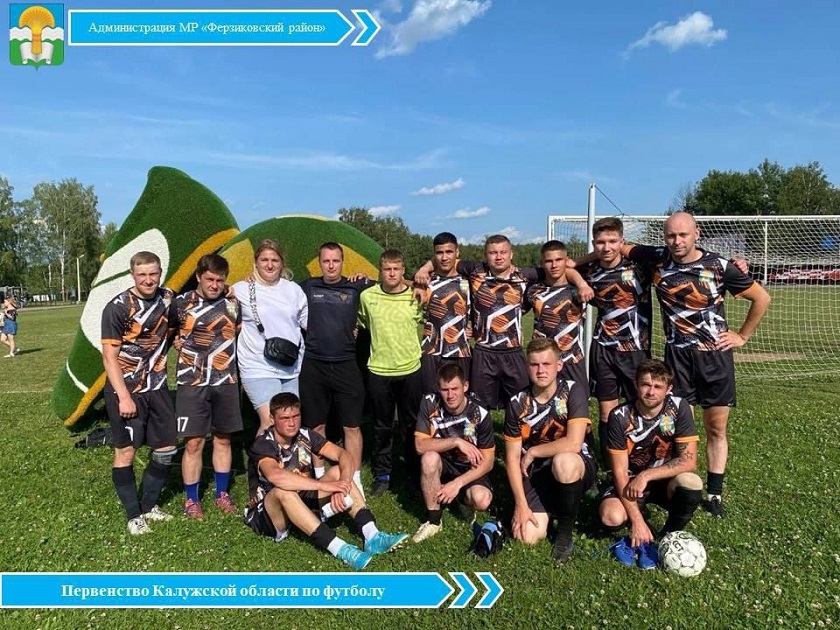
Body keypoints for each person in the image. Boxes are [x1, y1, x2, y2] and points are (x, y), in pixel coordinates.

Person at [624, 211, 771, 517]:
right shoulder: (657, 259)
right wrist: (577, 264)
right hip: (677, 358)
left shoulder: (720, 266)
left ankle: (714, 493)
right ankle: (678, 486)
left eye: (683, 235)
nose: (677, 241)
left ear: (697, 234)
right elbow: (616, 246)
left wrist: (742, 335)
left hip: (714, 357)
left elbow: (762, 298)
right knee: (680, 428)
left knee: (716, 427)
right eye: (671, 235)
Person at [416, 234, 593, 410]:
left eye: (503, 252)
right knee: (479, 405)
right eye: (493, 253)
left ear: (511, 254)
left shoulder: (524, 275)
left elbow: (561, 269)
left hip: (513, 352)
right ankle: (482, 429)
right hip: (484, 352)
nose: (498, 257)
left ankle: (519, 429)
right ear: (485, 256)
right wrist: (424, 270)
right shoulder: (476, 271)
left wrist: (582, 284)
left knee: (521, 404)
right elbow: (444, 259)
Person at [245, 393, 408, 570]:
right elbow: (276, 476)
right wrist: (325, 486)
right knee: (283, 491)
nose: (292, 423)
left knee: (338, 471)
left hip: (301, 501)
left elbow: (344, 455)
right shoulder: (263, 443)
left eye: (296, 416)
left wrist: (342, 486)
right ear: (272, 419)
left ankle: (372, 536)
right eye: (285, 418)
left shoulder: (305, 434)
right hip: (268, 515)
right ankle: (342, 550)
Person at [599, 359, 703, 569]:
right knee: (611, 518)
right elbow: (619, 473)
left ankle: (666, 538)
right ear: (636, 384)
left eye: (658, 386)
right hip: (630, 482)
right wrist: (637, 521)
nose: (651, 392)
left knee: (691, 483)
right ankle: (633, 535)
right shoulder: (619, 416)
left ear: (668, 389)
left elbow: (689, 461)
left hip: (664, 480)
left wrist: (646, 475)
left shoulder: (679, 408)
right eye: (646, 385)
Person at [101, 251, 177, 535]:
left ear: (160, 273)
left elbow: (196, 302)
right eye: (142, 274)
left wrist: (230, 292)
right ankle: (133, 515)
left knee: (166, 448)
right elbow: (109, 357)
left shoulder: (168, 298)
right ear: (132, 275)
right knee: (126, 452)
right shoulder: (118, 307)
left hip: (157, 386)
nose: (148, 280)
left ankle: (148, 505)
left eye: (153, 273)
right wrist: (123, 396)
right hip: (127, 389)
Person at [503, 338, 597, 563]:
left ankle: (564, 534)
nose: (541, 370)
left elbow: (574, 443)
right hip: (537, 471)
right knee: (527, 536)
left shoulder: (573, 391)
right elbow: (512, 459)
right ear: (527, 367)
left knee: (564, 462)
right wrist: (521, 505)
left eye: (546, 364)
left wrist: (533, 452)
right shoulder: (517, 403)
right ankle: (554, 506)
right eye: (534, 365)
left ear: (559, 365)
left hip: (575, 462)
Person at [574, 218, 652, 467]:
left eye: (612, 241)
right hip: (603, 349)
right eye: (600, 242)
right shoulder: (590, 270)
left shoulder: (640, 266)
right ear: (593, 243)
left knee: (638, 405)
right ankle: (610, 466)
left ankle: (638, 457)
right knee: (607, 410)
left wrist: (738, 262)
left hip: (635, 349)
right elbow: (566, 267)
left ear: (622, 242)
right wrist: (580, 281)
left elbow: (674, 258)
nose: (606, 247)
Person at [298, 242, 373, 495]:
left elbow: (391, 284)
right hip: (314, 365)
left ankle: (355, 481)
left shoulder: (356, 286)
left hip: (346, 365)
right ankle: (319, 479)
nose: (331, 266)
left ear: (342, 262)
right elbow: (275, 289)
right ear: (319, 263)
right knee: (316, 426)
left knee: (351, 427)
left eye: (335, 261)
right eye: (326, 261)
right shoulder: (307, 287)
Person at [172, 254, 242, 520]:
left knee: (223, 438)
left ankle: (222, 493)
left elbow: (239, 330)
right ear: (199, 277)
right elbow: (167, 333)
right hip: (192, 381)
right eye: (209, 279)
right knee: (194, 442)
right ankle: (192, 499)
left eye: (220, 280)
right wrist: (177, 341)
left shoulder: (233, 303)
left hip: (226, 380)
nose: (214, 285)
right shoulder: (180, 304)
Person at [358, 249, 424, 497]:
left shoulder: (416, 296)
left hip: (410, 369)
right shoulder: (367, 297)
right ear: (380, 271)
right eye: (387, 269)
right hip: (379, 370)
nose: (392, 273)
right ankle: (383, 475)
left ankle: (413, 473)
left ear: (403, 271)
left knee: (411, 425)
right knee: (381, 427)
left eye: (396, 269)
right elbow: (363, 324)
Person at [412, 363, 494, 543]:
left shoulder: (480, 413)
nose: (450, 395)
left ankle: (462, 500)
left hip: (469, 467)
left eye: (455, 389)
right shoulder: (429, 403)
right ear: (438, 388)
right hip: (444, 463)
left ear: (465, 386)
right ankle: (434, 521)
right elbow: (419, 445)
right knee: (429, 458)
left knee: (482, 500)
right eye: (445, 389)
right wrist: (456, 442)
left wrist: (457, 484)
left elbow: (488, 462)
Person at [232, 239, 308, 431]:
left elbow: (308, 324)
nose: (269, 265)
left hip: (290, 367)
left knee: (289, 424)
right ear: (256, 262)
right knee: (271, 422)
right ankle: (262, 452)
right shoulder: (240, 289)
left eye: (274, 260)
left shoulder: (294, 290)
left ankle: (283, 454)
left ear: (282, 263)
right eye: (264, 260)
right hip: (257, 366)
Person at [525, 240, 587, 386]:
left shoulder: (578, 289)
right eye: (549, 261)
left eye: (559, 260)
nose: (554, 265)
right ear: (542, 263)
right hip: (543, 361)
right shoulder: (533, 290)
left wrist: (582, 283)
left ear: (566, 260)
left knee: (577, 399)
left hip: (572, 358)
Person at [418, 232, 472, 394]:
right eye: (439, 253)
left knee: (459, 397)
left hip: (460, 351)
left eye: (449, 252)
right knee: (430, 397)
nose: (444, 257)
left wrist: (474, 328)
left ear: (457, 252)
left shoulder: (470, 281)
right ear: (434, 255)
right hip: (431, 351)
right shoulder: (424, 281)